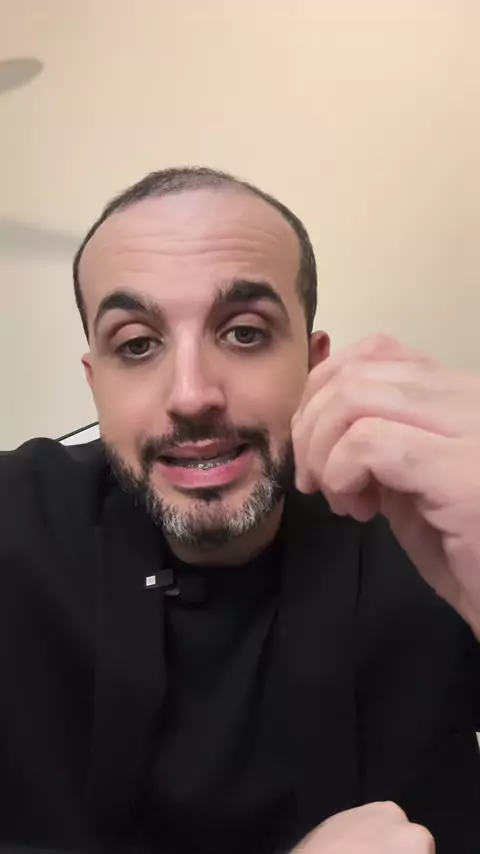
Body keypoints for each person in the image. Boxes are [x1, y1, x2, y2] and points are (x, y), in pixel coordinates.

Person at [0, 166, 479, 854]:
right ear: (95, 381)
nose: (192, 394)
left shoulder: (433, 529)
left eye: (245, 333)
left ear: (313, 364)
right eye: (137, 345)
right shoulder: (16, 522)